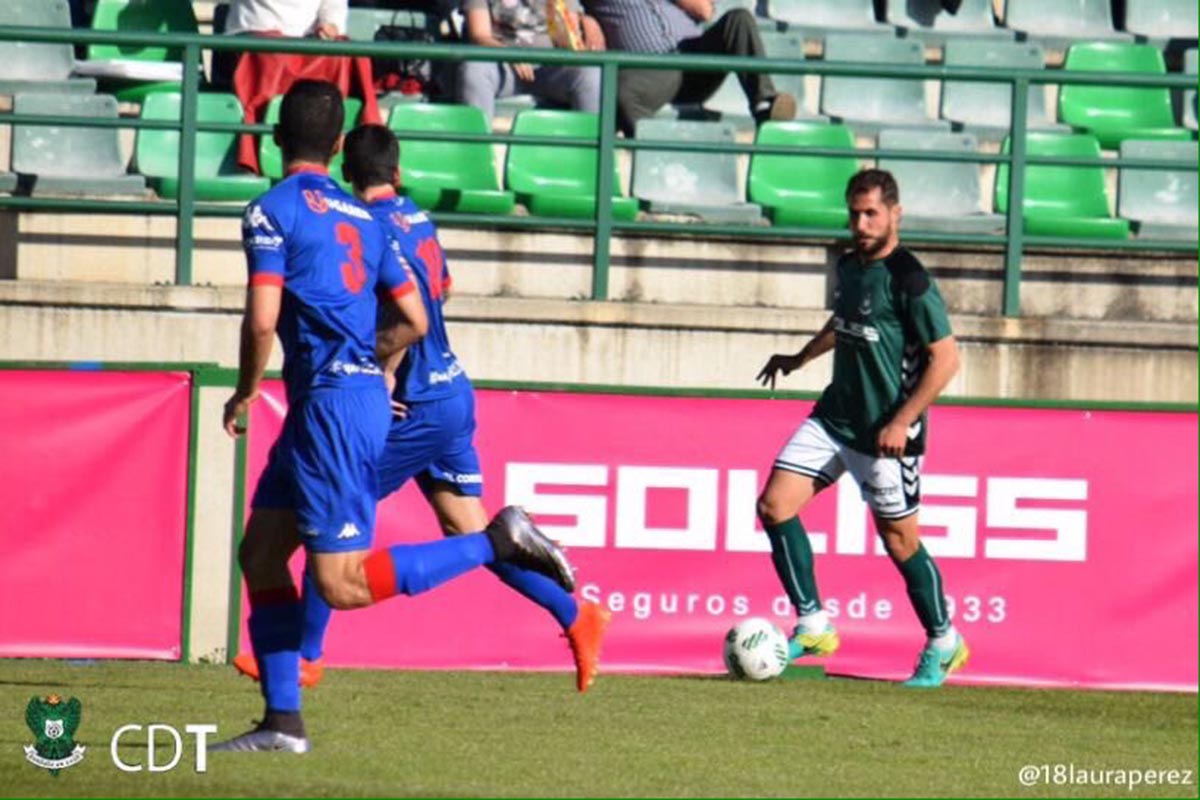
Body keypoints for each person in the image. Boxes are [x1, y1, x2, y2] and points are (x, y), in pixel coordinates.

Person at [211, 80, 575, 753]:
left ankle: (497, 541)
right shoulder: (367, 219)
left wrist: (243, 391)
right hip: (349, 401)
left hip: (327, 410)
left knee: (341, 583)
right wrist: (365, 363)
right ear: (340, 143)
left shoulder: (270, 212)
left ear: (272, 140)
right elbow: (415, 313)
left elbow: (262, 319)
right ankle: (282, 722)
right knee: (261, 553)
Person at [754, 168, 969, 689]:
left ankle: (944, 641)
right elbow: (843, 321)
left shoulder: (910, 279)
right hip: (834, 418)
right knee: (774, 506)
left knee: (900, 542)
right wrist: (800, 358)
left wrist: (902, 420)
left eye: (872, 212)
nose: (861, 222)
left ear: (895, 213)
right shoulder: (850, 266)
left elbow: (946, 360)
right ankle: (814, 624)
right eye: (855, 213)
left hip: (885, 436)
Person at [579, 0, 795, 136]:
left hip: (694, 57)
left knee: (739, 19)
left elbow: (704, 10)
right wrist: (584, 18)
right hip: (651, 69)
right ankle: (653, 160)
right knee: (621, 88)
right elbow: (558, 10)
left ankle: (764, 104)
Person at [458, 0, 604, 125]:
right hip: (501, 66)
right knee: (474, 69)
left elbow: (568, 36)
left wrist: (581, 25)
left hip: (550, 67)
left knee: (590, 73)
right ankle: (476, 151)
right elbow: (479, 35)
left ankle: (590, 152)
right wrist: (509, 54)